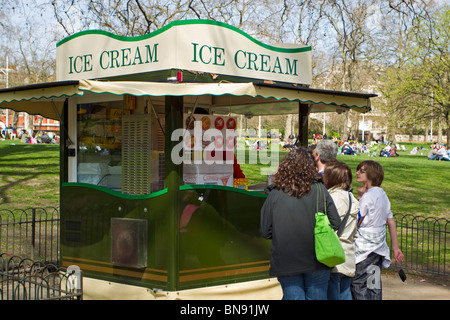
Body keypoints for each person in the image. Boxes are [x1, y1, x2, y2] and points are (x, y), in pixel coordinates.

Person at [260, 147, 341, 300]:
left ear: (284, 167)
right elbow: (336, 222)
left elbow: (265, 231)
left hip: (286, 259)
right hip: (318, 257)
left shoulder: (275, 194)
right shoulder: (320, 190)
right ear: (311, 167)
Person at [351, 160, 404, 300]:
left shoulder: (368, 196)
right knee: (373, 283)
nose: (357, 173)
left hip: (365, 248)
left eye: (361, 171)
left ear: (371, 174)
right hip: (378, 247)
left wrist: (360, 199)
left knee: (359, 282)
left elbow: (358, 219)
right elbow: (391, 222)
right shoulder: (382, 194)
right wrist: (395, 247)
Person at [323, 161, 360, 300]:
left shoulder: (334, 198)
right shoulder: (351, 198)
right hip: (347, 255)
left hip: (333, 255)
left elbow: (328, 226)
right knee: (344, 294)